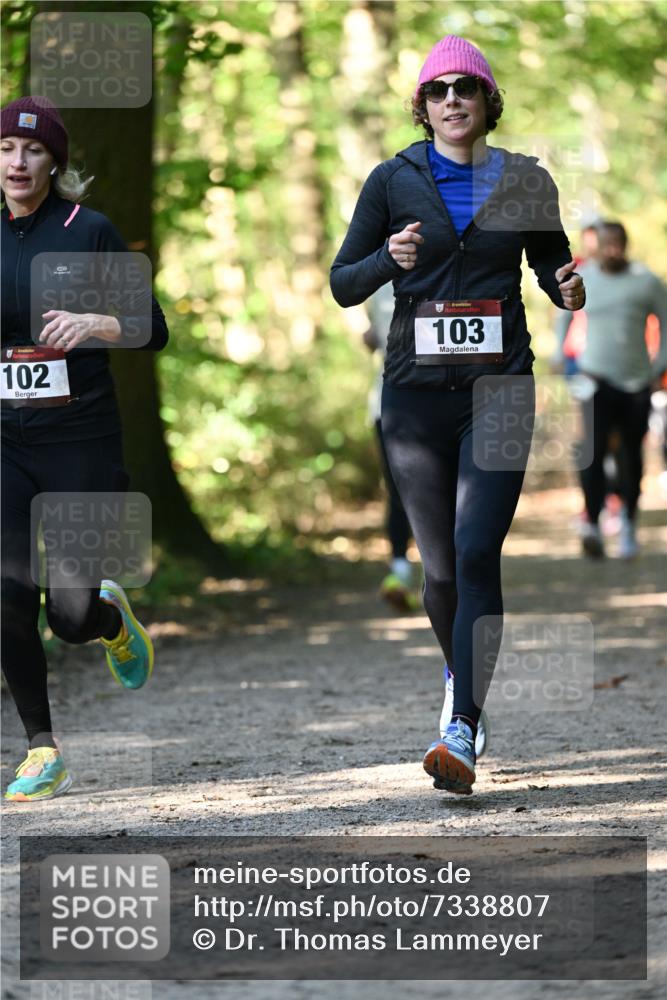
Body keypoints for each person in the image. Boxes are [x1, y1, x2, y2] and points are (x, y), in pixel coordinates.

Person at [331, 35, 584, 794]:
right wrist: (388, 261)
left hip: (498, 389)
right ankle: (461, 680)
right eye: (437, 90)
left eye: (464, 89)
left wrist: (565, 289)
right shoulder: (390, 180)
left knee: (476, 553)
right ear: (422, 105)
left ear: (485, 103)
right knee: (438, 571)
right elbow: (345, 283)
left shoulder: (528, 180)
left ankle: (461, 726)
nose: (450, 100)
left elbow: (551, 263)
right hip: (412, 398)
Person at [1, 96, 169, 800]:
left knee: (67, 619)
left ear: (55, 162)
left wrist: (96, 320)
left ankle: (107, 617)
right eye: (6, 148)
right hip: (5, 438)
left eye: (33, 151)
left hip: (80, 437)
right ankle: (42, 749)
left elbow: (150, 327)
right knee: (7, 590)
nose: (17, 162)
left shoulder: (88, 229)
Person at [555, 221, 667, 559]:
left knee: (630, 456)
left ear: (626, 244)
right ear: (597, 246)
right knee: (591, 453)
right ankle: (593, 523)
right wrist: (560, 355)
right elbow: (563, 315)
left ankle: (629, 524)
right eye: (607, 243)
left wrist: (657, 368)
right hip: (595, 379)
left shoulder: (645, 281)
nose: (613, 249)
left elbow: (666, 323)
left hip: (635, 382)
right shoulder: (585, 278)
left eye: (619, 243)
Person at [363, 282, 420, 612]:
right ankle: (399, 573)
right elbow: (375, 330)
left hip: (435, 400)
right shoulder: (375, 277)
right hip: (387, 404)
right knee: (399, 488)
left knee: (433, 490)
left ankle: (437, 577)